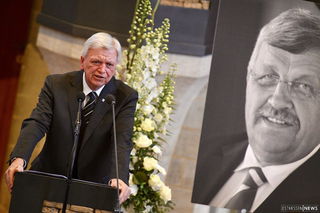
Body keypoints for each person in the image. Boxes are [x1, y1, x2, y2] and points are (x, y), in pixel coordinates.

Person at [194, 8, 320, 212]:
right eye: (268, 77)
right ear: (248, 79)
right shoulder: (206, 156)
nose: (278, 101)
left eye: (303, 86)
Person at [4, 32, 138, 204]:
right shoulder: (56, 84)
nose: (102, 70)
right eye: (96, 61)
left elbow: (122, 140)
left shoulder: (124, 96)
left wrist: (119, 177)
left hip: (93, 186)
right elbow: (37, 122)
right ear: (82, 61)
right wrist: (19, 158)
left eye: (109, 64)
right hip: (49, 177)